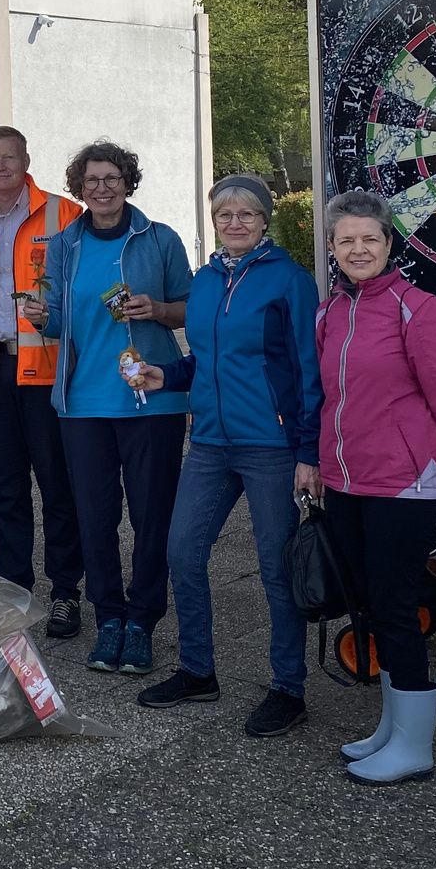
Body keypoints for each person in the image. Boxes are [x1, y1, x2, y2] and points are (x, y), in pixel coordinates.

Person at [128, 176, 322, 738]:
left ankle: (288, 687)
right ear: (213, 221)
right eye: (224, 215)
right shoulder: (206, 280)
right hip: (210, 442)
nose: (235, 223)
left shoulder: (289, 280)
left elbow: (310, 371)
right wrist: (168, 375)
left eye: (247, 214)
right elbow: (206, 360)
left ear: (265, 220)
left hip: (271, 447)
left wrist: (308, 452)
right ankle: (197, 670)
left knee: (276, 569)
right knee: (182, 551)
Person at [312, 190, 436, 784]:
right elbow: (329, 399)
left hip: (405, 485)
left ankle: (416, 747)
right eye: (346, 240)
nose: (358, 249)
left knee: (397, 609)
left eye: (369, 239)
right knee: (371, 607)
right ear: (333, 249)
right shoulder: (331, 312)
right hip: (347, 483)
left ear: (389, 245)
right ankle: (393, 728)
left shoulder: (418, 309)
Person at [39, 140, 192, 677]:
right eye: (91, 180)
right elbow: (58, 320)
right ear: (78, 188)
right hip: (83, 403)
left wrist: (157, 309)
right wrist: (40, 316)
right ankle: (108, 618)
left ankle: (143, 621)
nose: (101, 188)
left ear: (128, 182)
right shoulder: (64, 245)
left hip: (151, 400)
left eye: (111, 178)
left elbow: (190, 311)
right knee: (94, 517)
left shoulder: (159, 238)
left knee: (152, 518)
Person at [0, 127, 85, 637]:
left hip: (47, 368)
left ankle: (66, 592)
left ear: (26, 159)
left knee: (56, 484)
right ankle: (13, 586)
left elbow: (79, 289)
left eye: (8, 157)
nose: (0, 166)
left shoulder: (63, 214)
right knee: (5, 487)